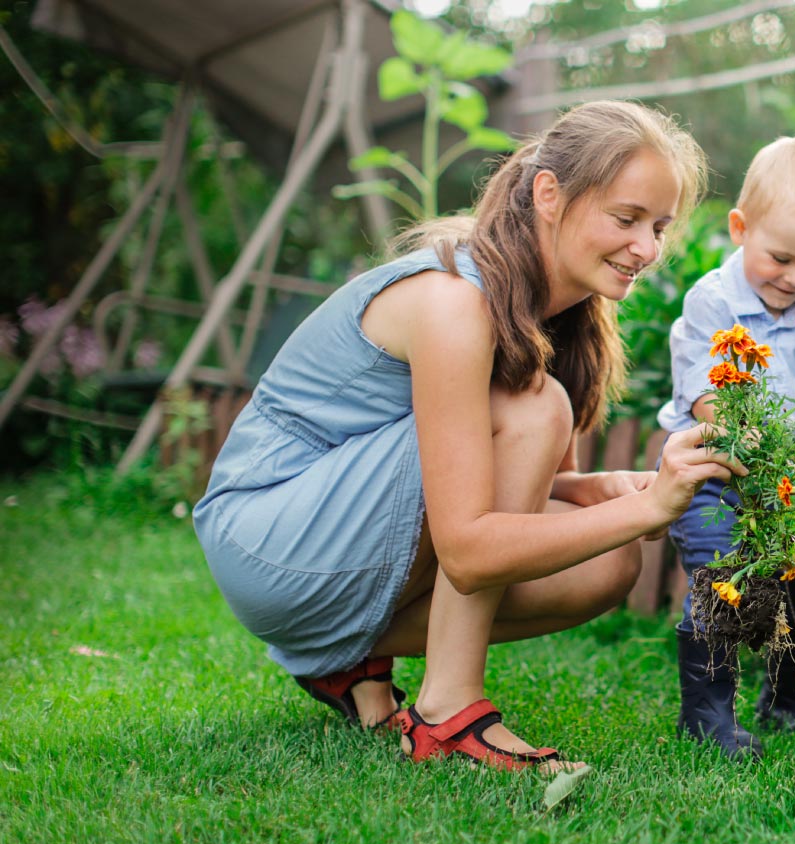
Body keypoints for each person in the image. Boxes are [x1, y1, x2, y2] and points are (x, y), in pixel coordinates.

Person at [193, 100, 741, 774]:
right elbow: (470, 546)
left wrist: (599, 490)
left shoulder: (554, 309)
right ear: (549, 194)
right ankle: (446, 713)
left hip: (332, 529)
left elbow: (505, 485)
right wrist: (651, 507)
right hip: (269, 536)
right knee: (538, 411)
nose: (647, 249)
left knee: (610, 562)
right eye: (625, 220)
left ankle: (350, 660)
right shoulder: (458, 300)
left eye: (658, 227)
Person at [657, 135, 795, 758]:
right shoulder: (713, 301)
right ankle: (707, 715)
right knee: (723, 588)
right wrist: (760, 459)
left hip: (781, 486)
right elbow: (706, 398)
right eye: (782, 258)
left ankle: (788, 698)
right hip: (712, 476)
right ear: (740, 228)